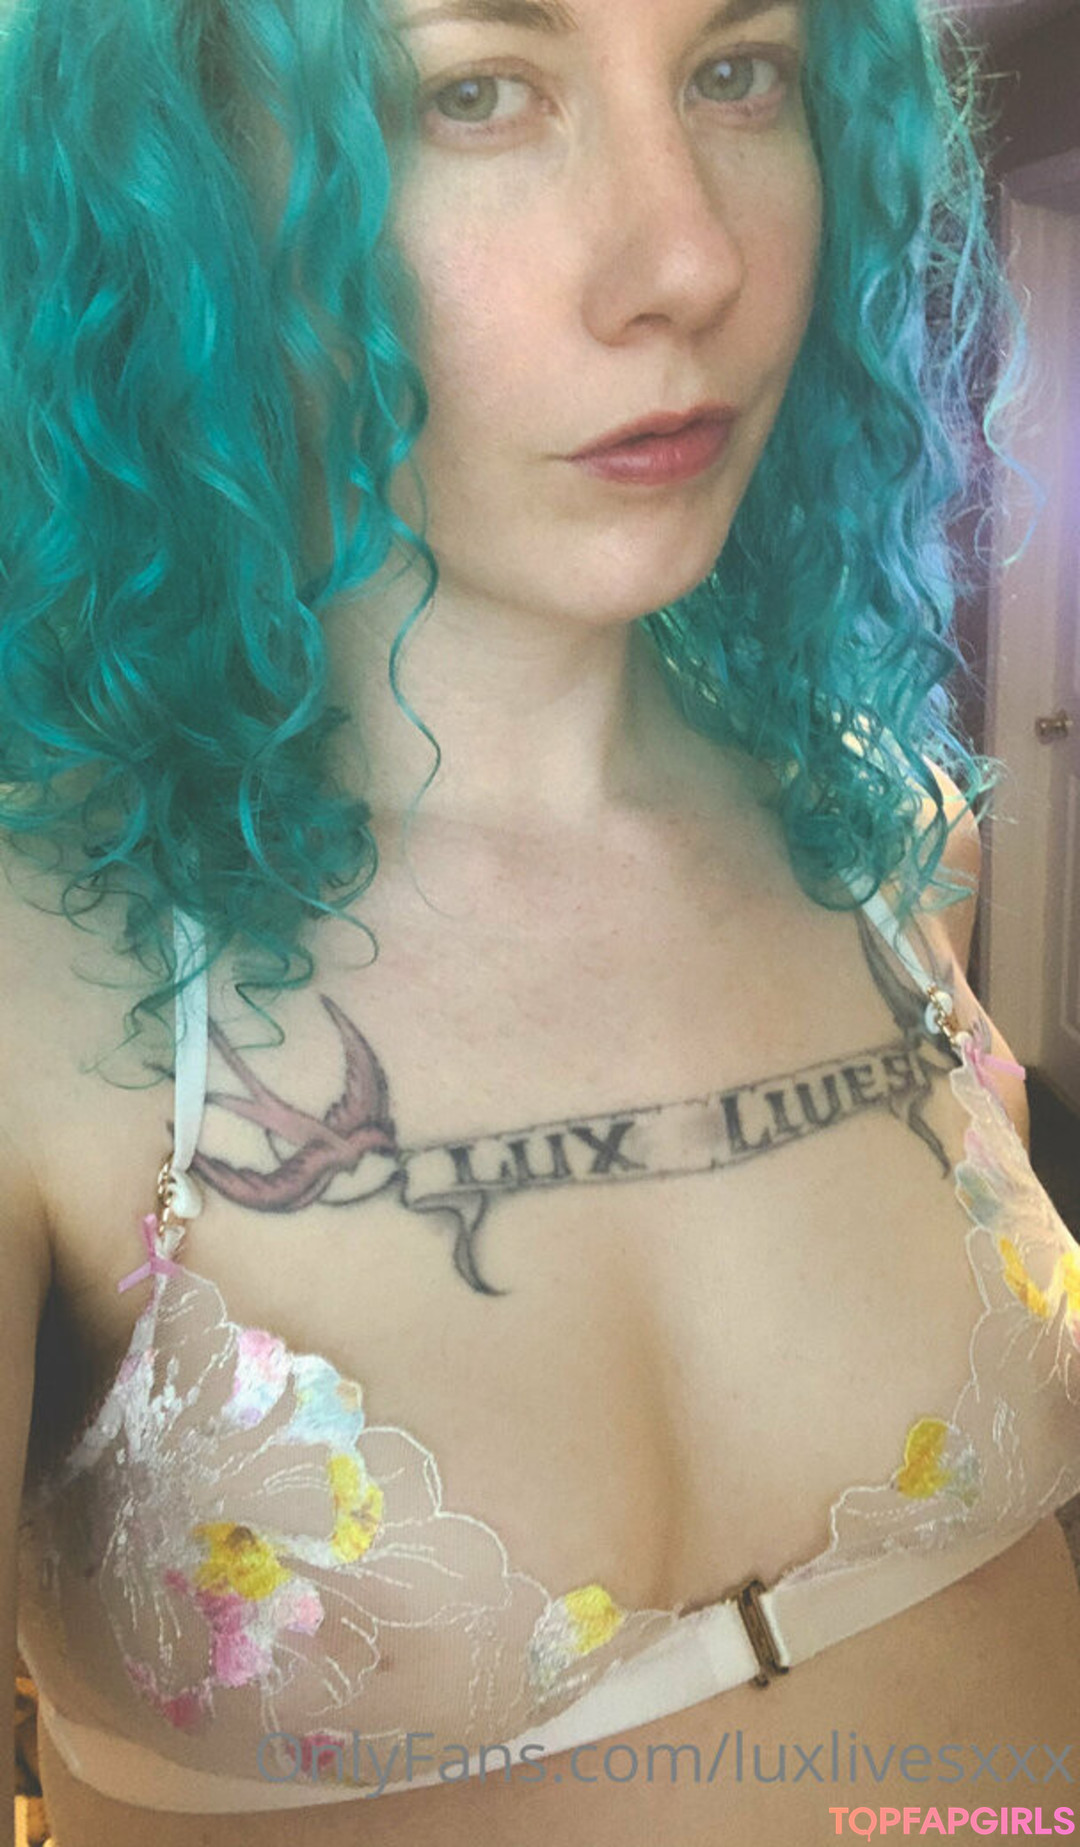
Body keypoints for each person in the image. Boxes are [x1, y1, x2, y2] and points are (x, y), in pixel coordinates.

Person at [1, 0, 1078, 1842]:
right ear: (176, 178)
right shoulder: (44, 962)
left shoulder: (893, 845)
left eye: (737, 72)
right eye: (475, 92)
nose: (691, 262)